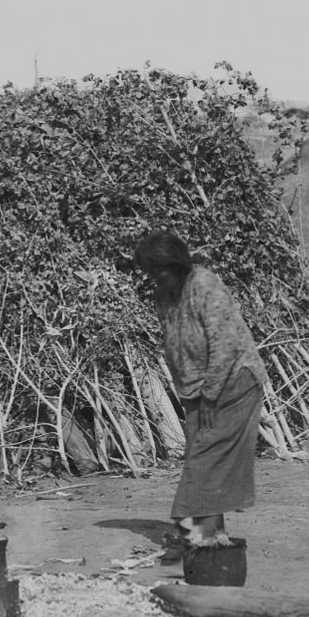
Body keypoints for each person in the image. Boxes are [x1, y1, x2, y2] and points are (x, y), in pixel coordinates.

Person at [134, 230, 265, 548]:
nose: (154, 279)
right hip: (197, 388)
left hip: (235, 380)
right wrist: (193, 392)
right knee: (201, 456)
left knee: (208, 457)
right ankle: (213, 534)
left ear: (177, 265)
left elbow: (224, 344)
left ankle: (194, 525)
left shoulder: (204, 285)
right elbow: (176, 341)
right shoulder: (164, 294)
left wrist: (210, 396)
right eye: (150, 274)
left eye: (158, 272)